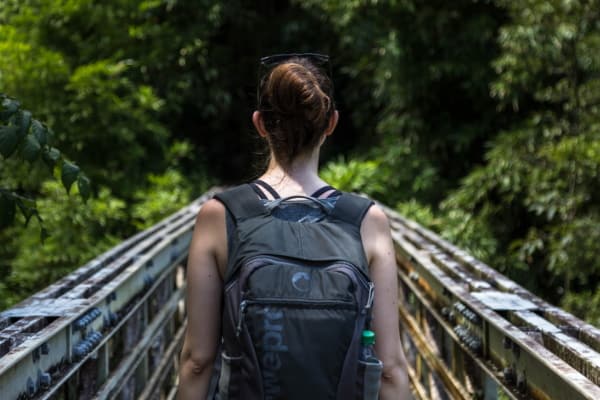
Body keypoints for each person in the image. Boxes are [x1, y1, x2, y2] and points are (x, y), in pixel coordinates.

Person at [178, 53, 411, 400]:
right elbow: (390, 367)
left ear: (260, 124)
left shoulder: (221, 215)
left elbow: (198, 360)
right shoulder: (365, 220)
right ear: (331, 123)